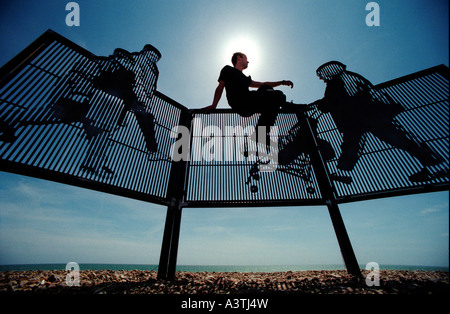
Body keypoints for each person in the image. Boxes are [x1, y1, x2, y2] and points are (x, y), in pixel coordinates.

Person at [314, 61, 442, 179]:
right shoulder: (352, 78)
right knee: (397, 138)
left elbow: (333, 102)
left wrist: (323, 104)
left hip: (357, 119)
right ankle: (429, 159)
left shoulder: (335, 85)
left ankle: (341, 171)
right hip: (368, 116)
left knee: (354, 145)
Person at [204, 52, 301, 143]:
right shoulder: (228, 69)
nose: (248, 61)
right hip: (240, 102)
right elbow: (220, 86)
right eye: (246, 59)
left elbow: (263, 83)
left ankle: (261, 132)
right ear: (239, 58)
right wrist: (214, 104)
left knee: (266, 88)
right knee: (278, 95)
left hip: (250, 102)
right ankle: (281, 107)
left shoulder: (245, 78)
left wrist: (282, 82)